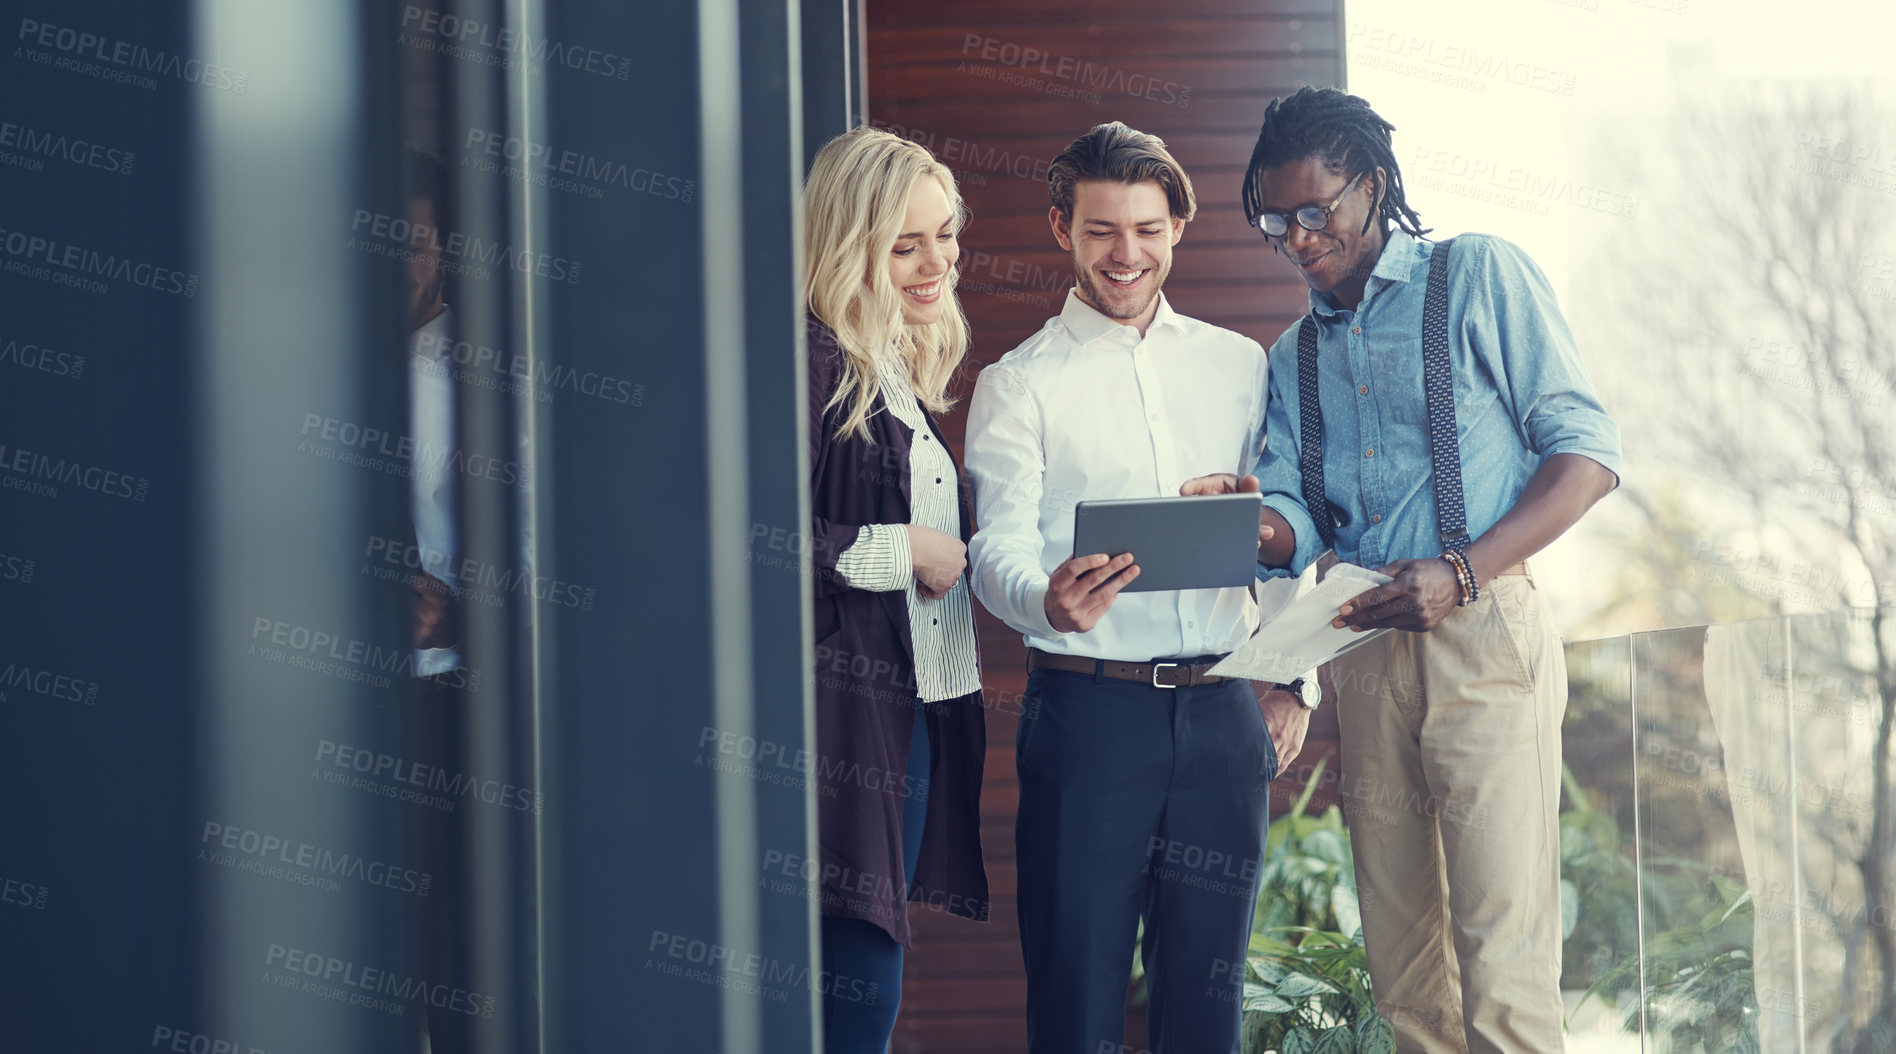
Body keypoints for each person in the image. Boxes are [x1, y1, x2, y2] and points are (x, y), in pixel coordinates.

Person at [1187, 86, 1623, 1053]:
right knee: (1406, 982)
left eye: (1316, 212)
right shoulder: (1293, 352)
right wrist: (1251, 518)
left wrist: (1462, 572)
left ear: (1372, 187)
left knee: (1504, 973)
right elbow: (1299, 519)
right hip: (1363, 650)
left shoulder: (1477, 277)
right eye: (1274, 221)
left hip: (1486, 639)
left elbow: (1586, 456)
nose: (1298, 238)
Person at [964, 121, 1309, 1054]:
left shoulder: (1240, 366)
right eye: (1102, 230)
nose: (1127, 254)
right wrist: (1044, 600)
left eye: (1148, 230)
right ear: (1060, 231)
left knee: (1208, 1011)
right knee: (1076, 1006)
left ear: (1178, 232)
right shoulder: (1019, 384)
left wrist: (1291, 681)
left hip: (1223, 716)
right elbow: (992, 549)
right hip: (1088, 721)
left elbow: (1282, 533)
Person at [800, 125, 990, 1053]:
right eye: (905, 244)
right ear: (849, 244)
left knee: (864, 982)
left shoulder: (893, 370)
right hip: (842, 726)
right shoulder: (813, 364)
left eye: (945, 235)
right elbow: (742, 547)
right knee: (857, 990)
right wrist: (900, 548)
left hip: (905, 713)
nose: (935, 262)